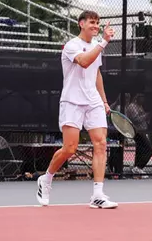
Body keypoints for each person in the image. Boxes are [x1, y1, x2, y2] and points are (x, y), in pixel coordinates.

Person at [36, 11, 118, 209]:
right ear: (81, 24)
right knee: (69, 148)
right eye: (91, 22)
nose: (95, 26)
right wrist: (104, 42)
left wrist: (104, 101)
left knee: (100, 144)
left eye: (98, 23)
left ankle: (97, 195)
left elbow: (96, 73)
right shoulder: (72, 46)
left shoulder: (97, 46)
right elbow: (84, 62)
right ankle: (46, 179)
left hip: (94, 102)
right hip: (72, 101)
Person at [125, 94, 152, 177]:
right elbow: (136, 119)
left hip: (142, 130)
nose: (143, 99)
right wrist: (147, 115)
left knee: (141, 150)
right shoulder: (132, 106)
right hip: (137, 131)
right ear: (137, 98)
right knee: (149, 150)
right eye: (141, 97)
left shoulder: (139, 106)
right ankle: (139, 167)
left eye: (144, 97)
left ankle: (136, 168)